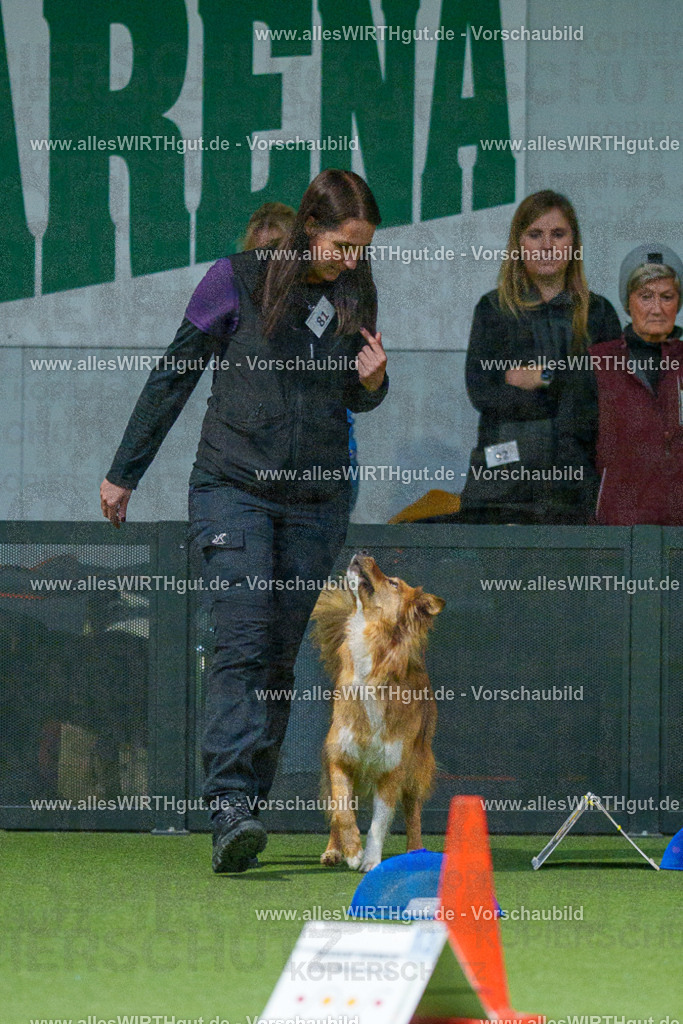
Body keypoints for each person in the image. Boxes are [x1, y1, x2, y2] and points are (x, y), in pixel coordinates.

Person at [100, 169, 388, 872]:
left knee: (276, 658)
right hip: (234, 488)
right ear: (311, 227)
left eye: (363, 248)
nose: (353, 259)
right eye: (344, 245)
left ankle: (246, 811)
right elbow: (175, 373)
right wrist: (124, 470)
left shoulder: (354, 287)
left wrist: (375, 382)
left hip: (315, 503)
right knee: (239, 640)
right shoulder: (233, 278)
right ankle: (228, 804)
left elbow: (351, 388)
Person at [460, 190, 621, 524]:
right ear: (519, 244)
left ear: (574, 244)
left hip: (575, 488)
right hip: (502, 485)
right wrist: (561, 389)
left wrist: (541, 378)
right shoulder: (493, 309)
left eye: (558, 234)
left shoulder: (599, 313)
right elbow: (482, 392)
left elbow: (608, 397)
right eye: (535, 234)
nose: (547, 245)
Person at [591, 244, 683, 525]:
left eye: (666, 297)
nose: (657, 308)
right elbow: (575, 446)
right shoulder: (597, 362)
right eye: (645, 296)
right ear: (627, 301)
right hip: (616, 530)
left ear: (678, 302)